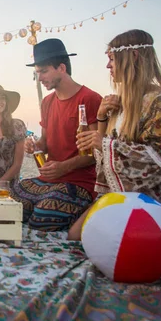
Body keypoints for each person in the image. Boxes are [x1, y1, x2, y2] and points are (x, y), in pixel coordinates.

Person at [69, 29, 161, 240]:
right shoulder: (122, 102)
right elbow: (104, 154)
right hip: (120, 194)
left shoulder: (156, 99)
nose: (107, 66)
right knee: (75, 236)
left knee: (83, 239)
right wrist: (102, 118)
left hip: (150, 198)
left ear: (132, 57)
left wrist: (104, 143)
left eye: (111, 59)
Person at [11, 38, 102, 231]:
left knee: (42, 218)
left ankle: (79, 210)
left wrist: (63, 167)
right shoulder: (47, 102)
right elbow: (45, 141)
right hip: (49, 180)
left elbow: (96, 152)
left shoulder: (90, 99)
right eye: (38, 73)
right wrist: (35, 145)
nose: (40, 78)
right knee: (12, 202)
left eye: (44, 71)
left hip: (80, 182)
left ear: (61, 68)